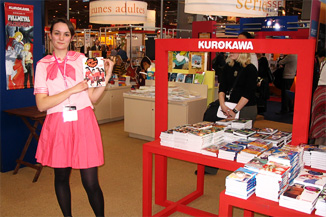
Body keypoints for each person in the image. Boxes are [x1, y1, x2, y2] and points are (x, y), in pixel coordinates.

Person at [33, 18, 114, 217]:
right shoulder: (42, 65)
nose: (61, 37)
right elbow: (42, 104)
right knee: (61, 176)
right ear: (50, 35)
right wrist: (72, 90)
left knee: (91, 181)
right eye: (57, 33)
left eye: (66, 34)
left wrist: (108, 74)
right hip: (58, 123)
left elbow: (93, 98)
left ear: (71, 37)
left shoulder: (84, 59)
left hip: (84, 121)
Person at [202, 53, 258, 175]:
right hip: (227, 107)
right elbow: (222, 87)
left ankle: (243, 172)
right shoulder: (228, 66)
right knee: (219, 137)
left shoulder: (250, 69)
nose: (230, 52)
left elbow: (248, 93)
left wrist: (235, 110)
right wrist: (222, 104)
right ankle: (210, 167)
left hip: (245, 109)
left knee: (242, 141)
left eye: (234, 50)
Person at [310, 49, 326, 145]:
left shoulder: (323, 63)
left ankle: (315, 145)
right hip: (323, 95)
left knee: (319, 122)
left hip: (319, 93)